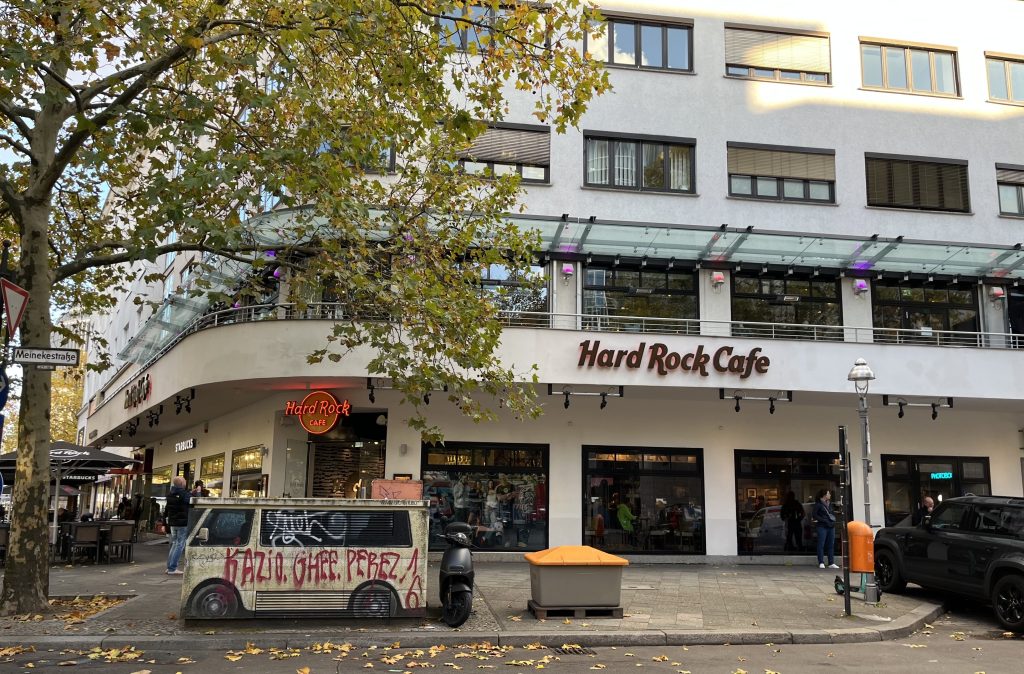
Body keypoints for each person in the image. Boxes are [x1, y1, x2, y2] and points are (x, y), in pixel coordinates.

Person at [164, 476, 191, 575]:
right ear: (182, 484)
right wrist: (197, 493)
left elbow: (166, 510)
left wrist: (164, 523)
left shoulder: (170, 494)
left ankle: (169, 567)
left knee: (175, 543)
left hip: (173, 523)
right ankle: (172, 568)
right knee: (180, 545)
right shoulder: (184, 494)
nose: (185, 482)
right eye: (184, 481)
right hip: (182, 523)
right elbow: (192, 501)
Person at [812, 488, 838, 569]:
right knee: (821, 544)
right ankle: (821, 562)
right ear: (824, 495)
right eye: (828, 493)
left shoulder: (830, 504)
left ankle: (831, 562)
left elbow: (832, 513)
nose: (830, 495)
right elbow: (814, 515)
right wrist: (824, 520)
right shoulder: (818, 504)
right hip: (822, 526)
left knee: (831, 544)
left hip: (831, 526)